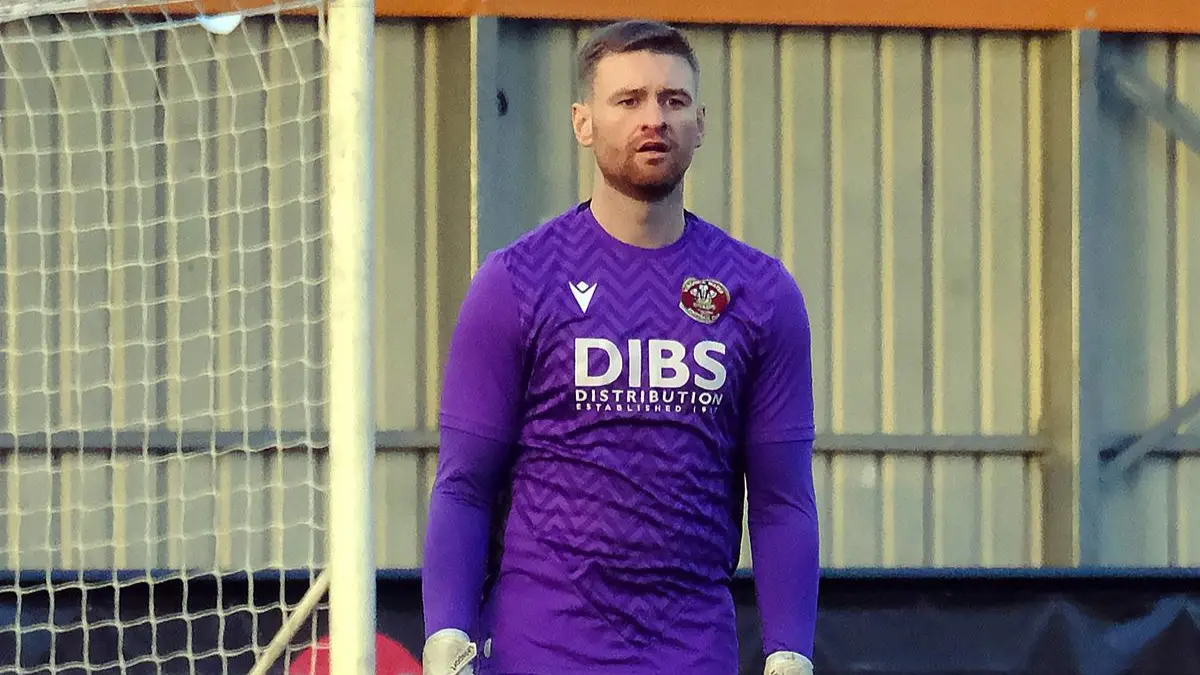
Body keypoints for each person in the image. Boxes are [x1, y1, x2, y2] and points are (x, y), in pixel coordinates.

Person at [420, 19, 820, 675]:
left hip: (691, 651)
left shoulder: (759, 293)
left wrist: (790, 651)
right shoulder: (516, 282)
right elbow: (464, 483)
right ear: (583, 121)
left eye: (673, 100)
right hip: (541, 649)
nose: (653, 118)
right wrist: (445, 636)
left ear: (701, 122)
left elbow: (782, 500)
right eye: (628, 100)